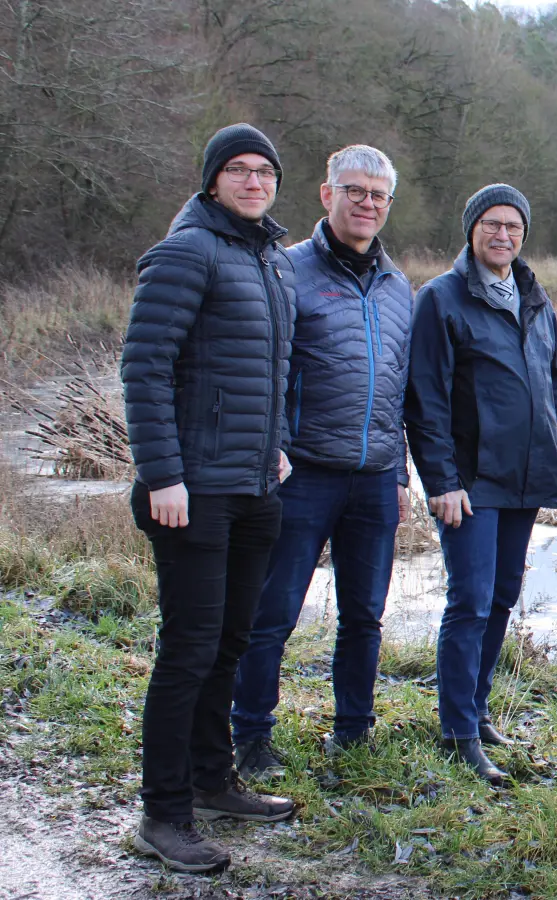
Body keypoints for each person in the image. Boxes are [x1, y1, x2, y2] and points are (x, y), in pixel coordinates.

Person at [121, 123, 299, 873]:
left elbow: (267, 370)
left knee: (230, 643)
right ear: (212, 180)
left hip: (254, 486)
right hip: (192, 493)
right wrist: (163, 475)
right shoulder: (187, 251)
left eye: (264, 171)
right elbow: (145, 367)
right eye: (238, 170)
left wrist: (275, 446)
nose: (254, 181)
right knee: (188, 652)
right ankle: (163, 815)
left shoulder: (269, 260)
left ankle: (212, 780)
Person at [230, 145, 414, 776]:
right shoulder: (285, 272)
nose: (367, 203)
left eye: (379, 195)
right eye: (356, 191)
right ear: (326, 194)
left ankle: (354, 731)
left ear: (389, 204)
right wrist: (272, 450)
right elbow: (267, 371)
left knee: (365, 615)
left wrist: (399, 473)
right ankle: (251, 736)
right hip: (302, 474)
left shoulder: (398, 287)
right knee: (273, 611)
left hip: (374, 477)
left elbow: (398, 388)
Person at [405, 184, 557, 785]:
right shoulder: (442, 299)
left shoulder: (535, 298)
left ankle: (475, 710)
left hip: (525, 478)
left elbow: (549, 385)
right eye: (492, 224)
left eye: (514, 227)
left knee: (501, 598)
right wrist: (442, 481)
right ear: (471, 228)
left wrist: (553, 460)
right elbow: (425, 399)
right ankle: (456, 733)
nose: (503, 235)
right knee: (470, 601)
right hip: (471, 485)